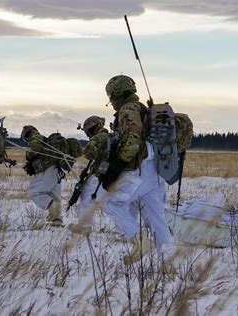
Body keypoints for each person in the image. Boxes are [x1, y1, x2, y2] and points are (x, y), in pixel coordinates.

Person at [100, 74, 174, 265]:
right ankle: (168, 262)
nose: (112, 102)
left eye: (111, 97)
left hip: (140, 168)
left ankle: (140, 241)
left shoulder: (128, 110)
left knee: (110, 203)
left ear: (117, 94)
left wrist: (115, 169)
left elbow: (132, 140)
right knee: (156, 217)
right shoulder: (143, 109)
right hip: (155, 171)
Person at [68, 116, 109, 235]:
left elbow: (89, 153)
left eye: (89, 131)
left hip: (101, 174)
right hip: (108, 172)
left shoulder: (98, 137)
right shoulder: (108, 136)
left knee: (86, 195)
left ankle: (85, 227)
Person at [21, 125, 64, 227]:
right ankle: (56, 221)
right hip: (57, 171)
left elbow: (34, 149)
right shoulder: (45, 139)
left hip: (48, 171)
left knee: (34, 192)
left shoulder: (35, 138)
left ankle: (53, 208)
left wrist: (28, 156)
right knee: (54, 196)